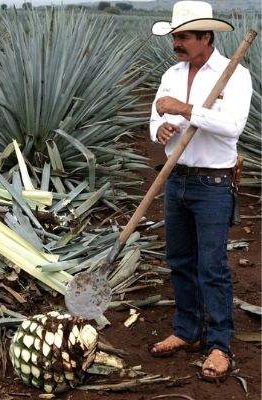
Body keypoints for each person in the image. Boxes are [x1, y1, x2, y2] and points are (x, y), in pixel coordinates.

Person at [147, 1, 252, 383]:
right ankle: (188, 331)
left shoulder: (234, 75)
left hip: (213, 183)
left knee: (212, 266)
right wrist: (159, 128)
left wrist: (185, 109)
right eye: (175, 36)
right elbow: (156, 116)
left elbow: (232, 127)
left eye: (184, 37)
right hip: (176, 177)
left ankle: (221, 344)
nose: (177, 43)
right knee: (179, 259)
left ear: (206, 37)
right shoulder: (171, 73)